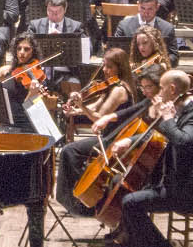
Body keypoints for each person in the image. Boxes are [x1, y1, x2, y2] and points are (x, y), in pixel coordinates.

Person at [117, 69, 193, 247]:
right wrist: (130, 141)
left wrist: (168, 119)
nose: (159, 92)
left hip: (186, 191)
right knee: (126, 195)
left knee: (131, 203)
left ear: (171, 89)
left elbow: (183, 141)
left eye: (161, 87)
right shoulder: (178, 111)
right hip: (169, 184)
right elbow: (157, 136)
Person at [55, 49, 140, 215]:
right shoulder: (111, 86)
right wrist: (74, 111)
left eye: (109, 67)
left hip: (114, 140)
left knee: (69, 151)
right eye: (104, 66)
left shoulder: (120, 90)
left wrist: (81, 106)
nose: (105, 70)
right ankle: (77, 199)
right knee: (70, 151)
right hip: (108, 137)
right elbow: (94, 108)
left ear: (120, 68)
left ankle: (82, 200)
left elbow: (99, 117)